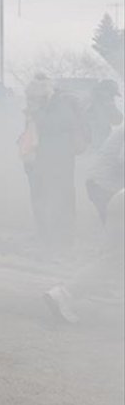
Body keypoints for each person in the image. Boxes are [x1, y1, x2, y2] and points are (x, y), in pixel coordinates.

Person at [44, 125, 124, 323]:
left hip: (116, 195)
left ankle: (70, 291)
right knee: (115, 258)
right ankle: (66, 293)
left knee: (113, 256)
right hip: (111, 191)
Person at [20, 75, 87, 251]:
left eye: (33, 98)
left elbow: (56, 126)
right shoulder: (39, 108)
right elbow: (32, 133)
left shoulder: (60, 106)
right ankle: (44, 236)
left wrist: (36, 114)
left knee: (62, 199)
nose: (30, 101)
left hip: (59, 162)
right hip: (38, 162)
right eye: (29, 98)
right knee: (40, 199)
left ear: (45, 95)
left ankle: (64, 239)